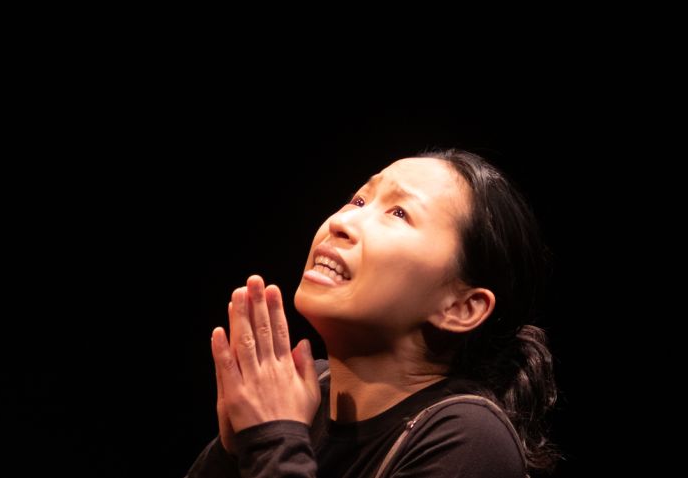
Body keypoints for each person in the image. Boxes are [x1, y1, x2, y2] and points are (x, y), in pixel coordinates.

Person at [186, 149, 559, 478]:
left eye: (398, 212)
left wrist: (273, 439)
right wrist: (232, 451)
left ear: (461, 308)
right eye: (359, 201)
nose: (340, 223)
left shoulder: (470, 438)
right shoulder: (299, 396)